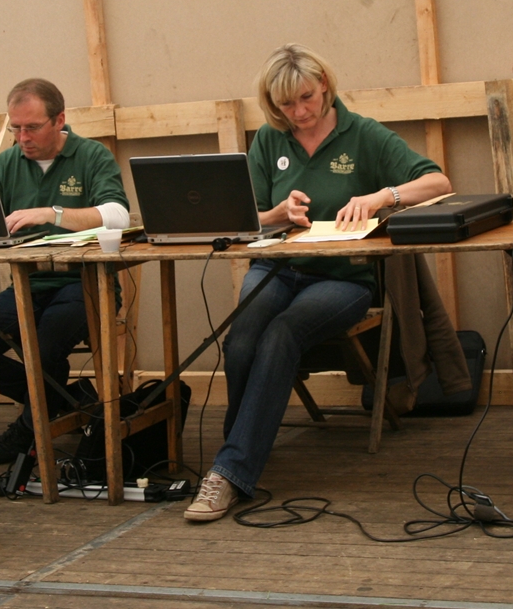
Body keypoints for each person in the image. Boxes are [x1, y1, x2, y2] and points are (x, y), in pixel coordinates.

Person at [185, 45, 453, 522]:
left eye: (306, 98)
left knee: (282, 334)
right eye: (286, 104)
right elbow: (245, 217)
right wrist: (278, 213)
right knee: (242, 338)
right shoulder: (269, 141)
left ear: (324, 84)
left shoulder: (363, 134)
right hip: (276, 266)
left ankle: (228, 471)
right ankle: (237, 456)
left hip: (343, 277)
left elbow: (438, 183)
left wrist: (380, 197)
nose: (300, 112)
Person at [0, 78, 130, 465]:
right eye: (15, 128)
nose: (22, 138)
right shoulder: (7, 163)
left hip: (84, 283)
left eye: (32, 127)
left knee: (44, 347)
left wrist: (53, 213)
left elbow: (118, 215)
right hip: (28, 284)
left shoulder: (91, 155)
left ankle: (29, 429)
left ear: (59, 120)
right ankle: (64, 400)